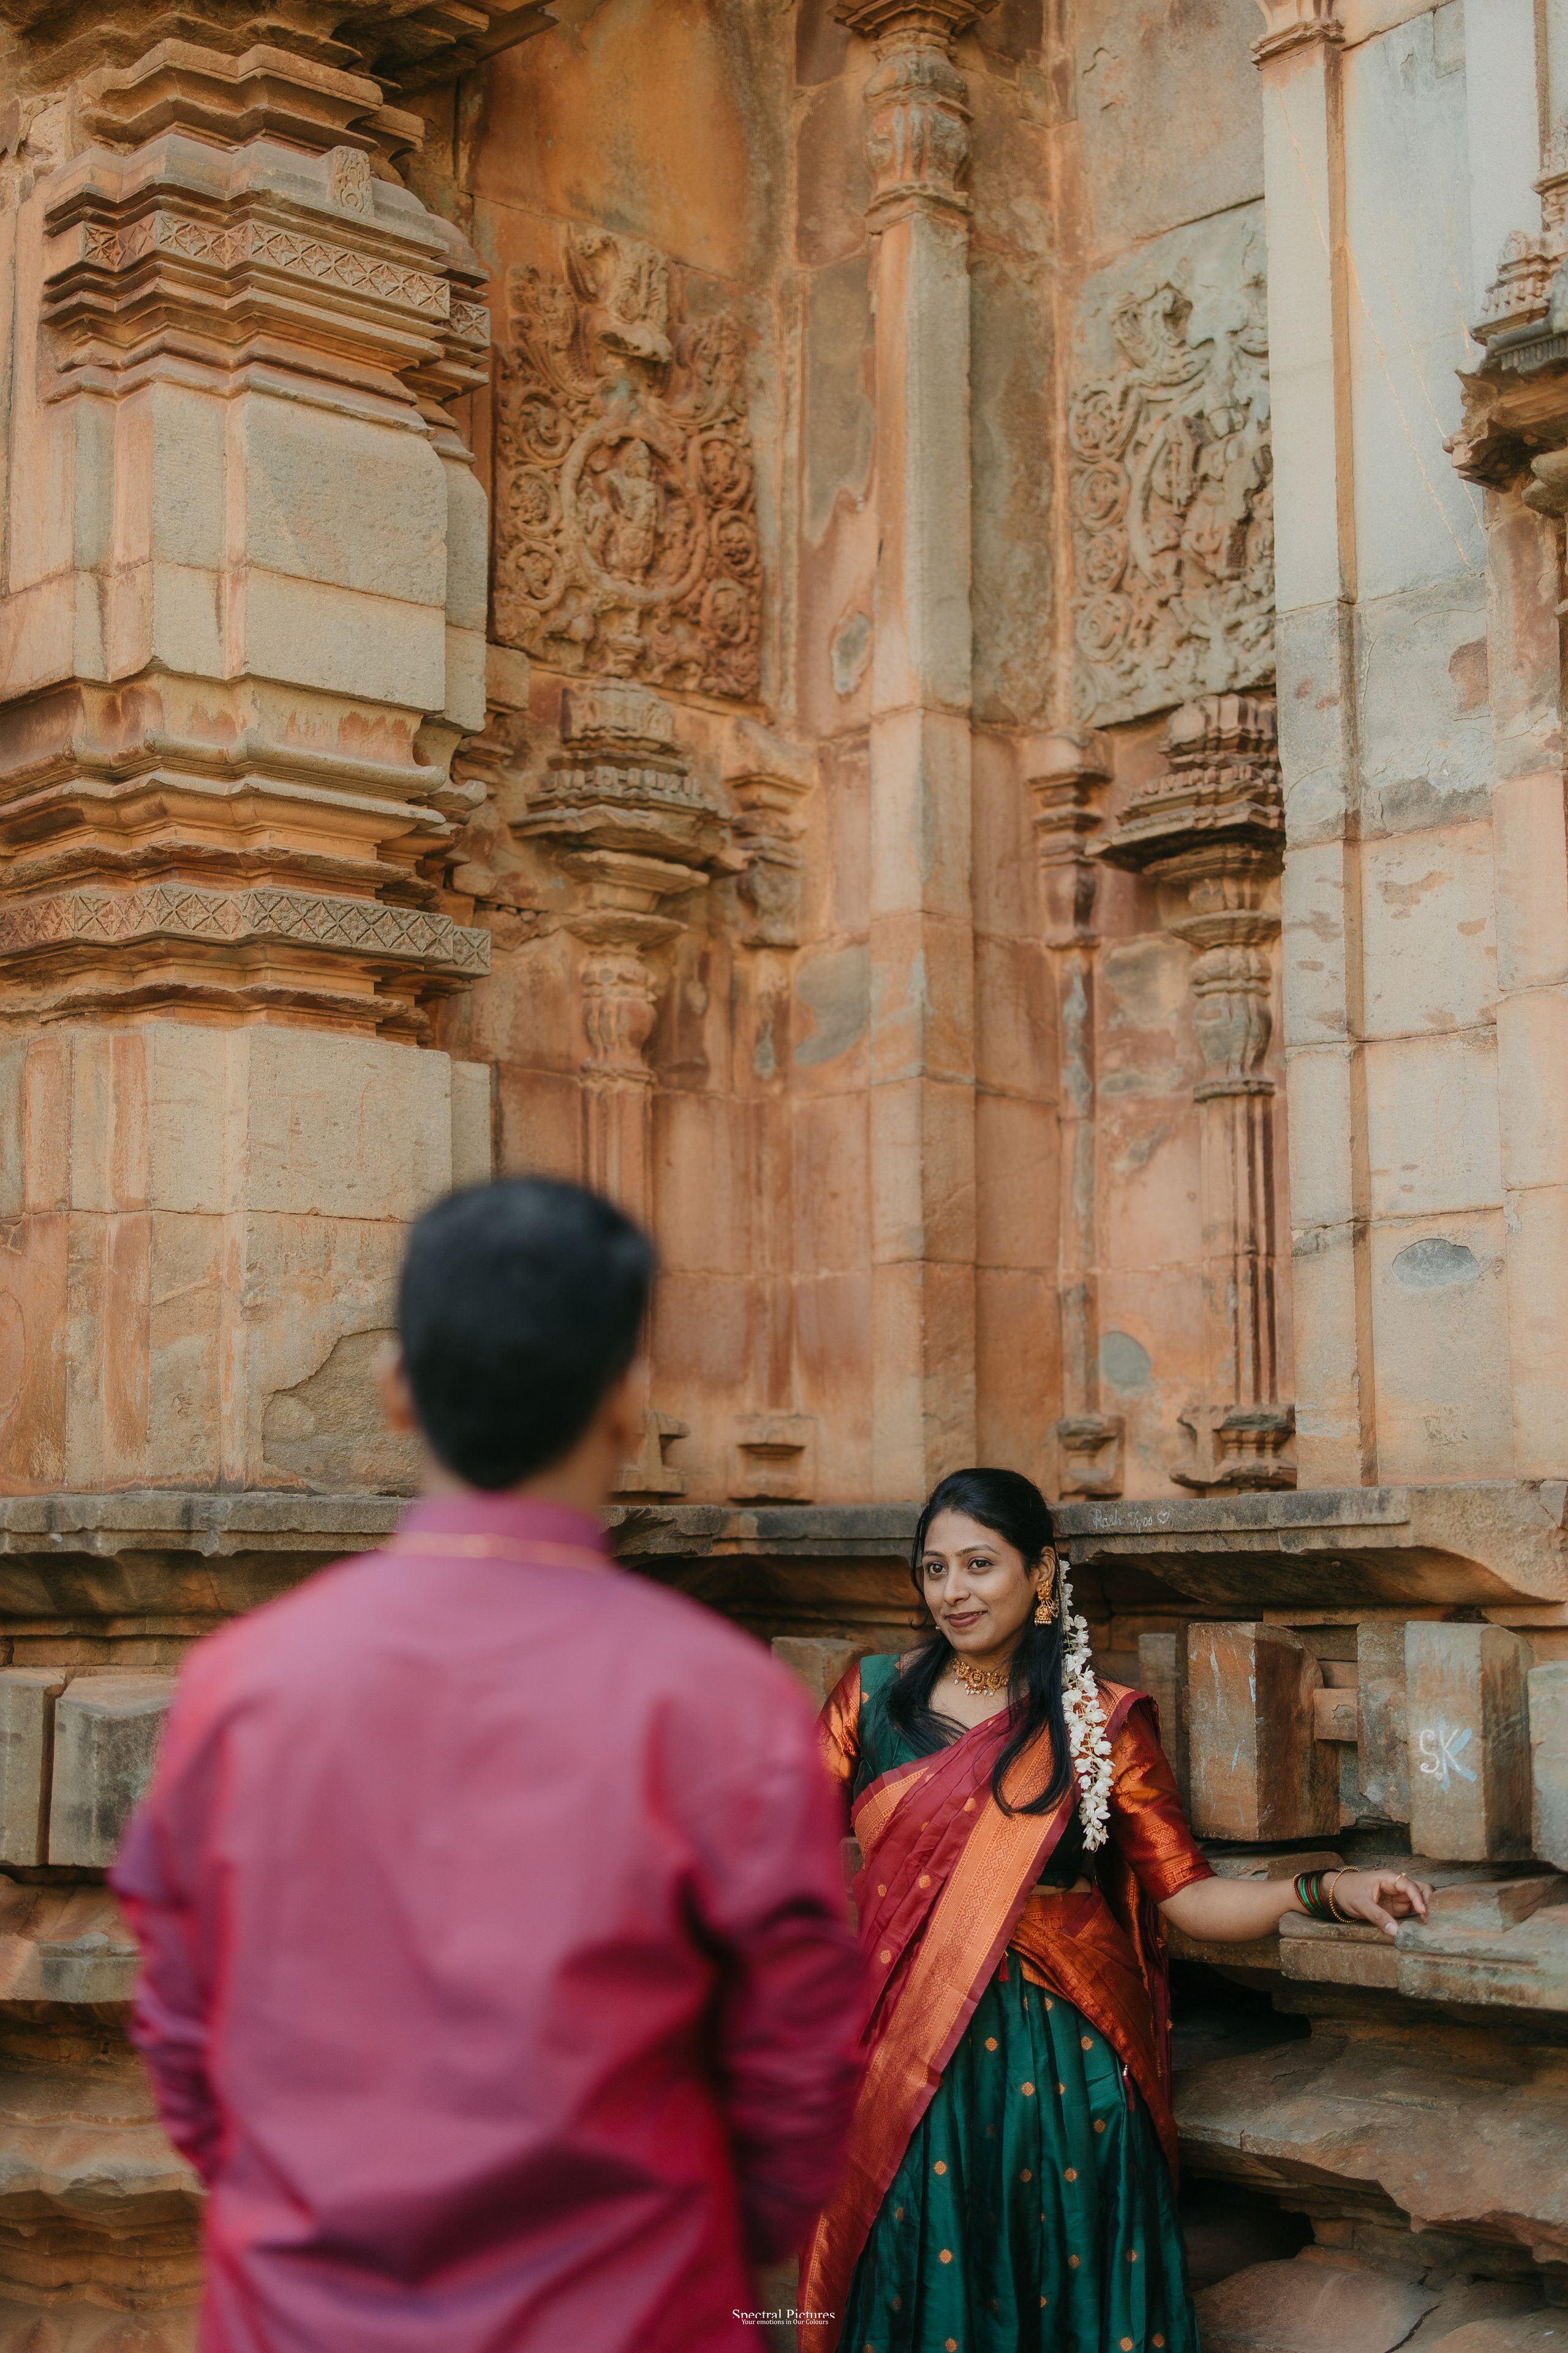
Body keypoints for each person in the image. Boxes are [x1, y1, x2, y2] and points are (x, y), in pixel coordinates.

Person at [111, 1179, 865, 2353]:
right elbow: (799, 2060)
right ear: (629, 1401)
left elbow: (180, 2025)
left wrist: (293, 2199)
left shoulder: (242, 1683)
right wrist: (695, 2240)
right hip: (630, 2310)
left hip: (304, 2312)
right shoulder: (722, 1702)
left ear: (396, 1388)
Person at [799, 1467, 1432, 2353]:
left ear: (1040, 1572)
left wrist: (1324, 1890)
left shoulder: (1097, 1721)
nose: (954, 1591)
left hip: (1065, 2063)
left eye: (979, 1564)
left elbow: (1189, 1894)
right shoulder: (870, 1699)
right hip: (906, 2051)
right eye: (935, 1568)